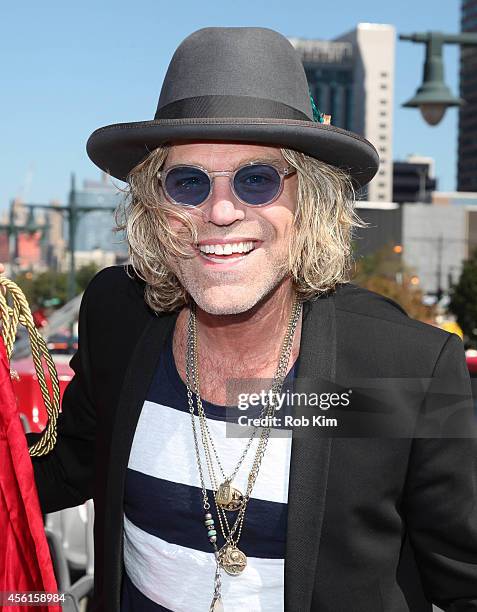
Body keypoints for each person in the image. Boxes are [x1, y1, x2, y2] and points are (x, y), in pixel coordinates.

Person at [13, 27, 477, 612]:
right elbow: (64, 466)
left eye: (258, 179)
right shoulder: (117, 313)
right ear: (155, 208)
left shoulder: (403, 369)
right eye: (188, 183)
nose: (222, 211)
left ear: (311, 201)